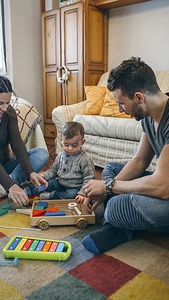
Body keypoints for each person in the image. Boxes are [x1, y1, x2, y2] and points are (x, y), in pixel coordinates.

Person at [81, 57, 169, 254]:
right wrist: (106, 190)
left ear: (139, 97)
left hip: (166, 191)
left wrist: (109, 186)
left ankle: (115, 225)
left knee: (116, 204)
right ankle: (121, 225)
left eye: (121, 103)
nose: (121, 109)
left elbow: (163, 186)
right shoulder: (149, 115)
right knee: (112, 169)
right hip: (164, 187)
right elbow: (139, 161)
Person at [0, 75, 48, 206]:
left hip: (4, 166)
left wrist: (31, 172)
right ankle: (7, 183)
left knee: (41, 154)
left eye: (7, 103)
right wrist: (10, 185)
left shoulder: (8, 112)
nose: (5, 108)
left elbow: (17, 145)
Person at [24, 121, 95, 201]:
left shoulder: (85, 159)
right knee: (44, 183)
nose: (70, 149)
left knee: (72, 195)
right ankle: (27, 191)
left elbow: (89, 178)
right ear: (61, 141)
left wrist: (82, 193)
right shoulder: (61, 156)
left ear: (82, 142)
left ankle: (51, 196)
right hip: (59, 183)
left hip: (75, 188)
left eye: (74, 145)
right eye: (66, 145)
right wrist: (44, 175)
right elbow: (53, 171)